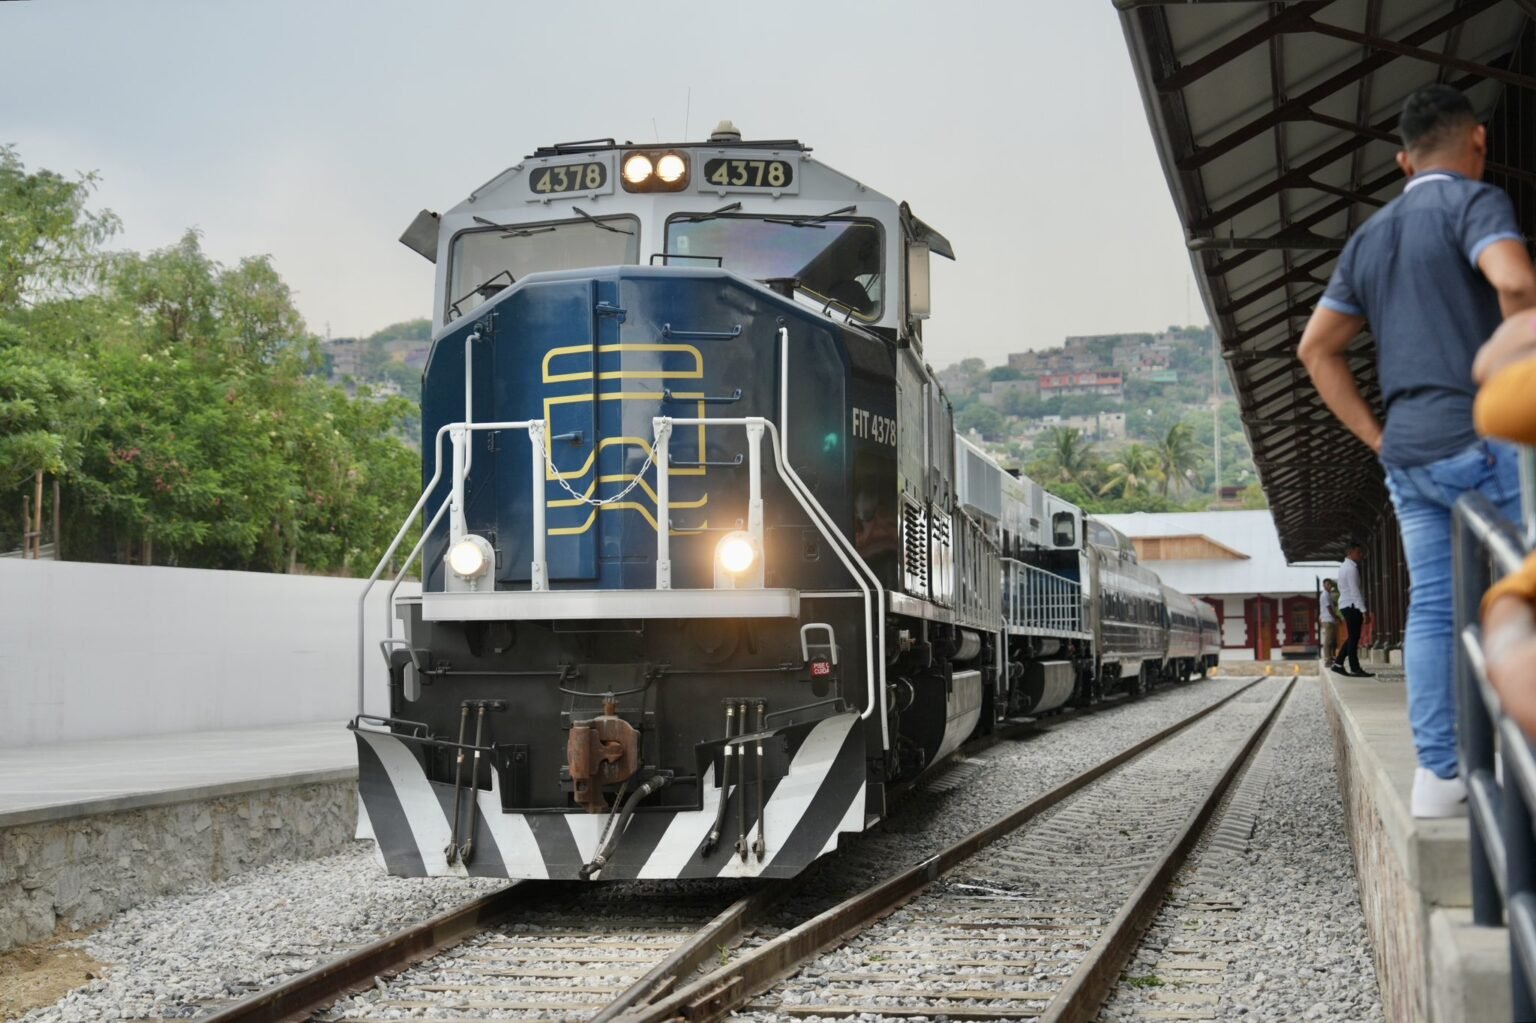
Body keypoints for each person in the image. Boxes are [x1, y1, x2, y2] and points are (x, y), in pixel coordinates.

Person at [1297, 84, 1536, 818]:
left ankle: (1439, 776)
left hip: (1411, 456)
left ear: (1403, 162)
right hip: (1487, 438)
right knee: (1527, 581)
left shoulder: (1371, 238)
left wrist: (1378, 437)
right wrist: (1508, 348)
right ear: (1480, 143)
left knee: (1434, 605)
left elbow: (1317, 348)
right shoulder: (1476, 204)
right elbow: (1515, 279)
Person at [1330, 544, 1375, 679]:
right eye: (1358, 552)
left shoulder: (1344, 567)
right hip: (1351, 605)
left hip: (1346, 604)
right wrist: (1364, 611)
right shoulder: (1351, 569)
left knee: (1352, 637)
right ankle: (1354, 669)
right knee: (1354, 638)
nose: (1361, 555)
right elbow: (1355, 592)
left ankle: (1338, 664)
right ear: (1350, 552)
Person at [1319, 579, 1341, 662]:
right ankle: (1327, 659)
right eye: (1327, 584)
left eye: (1330, 584)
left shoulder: (1328, 595)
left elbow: (1333, 605)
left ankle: (1330, 657)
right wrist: (1335, 617)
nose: (1329, 586)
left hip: (1329, 619)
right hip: (1328, 619)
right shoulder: (1325, 595)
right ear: (1324, 585)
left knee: (1331, 639)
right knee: (1328, 640)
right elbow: (1329, 608)